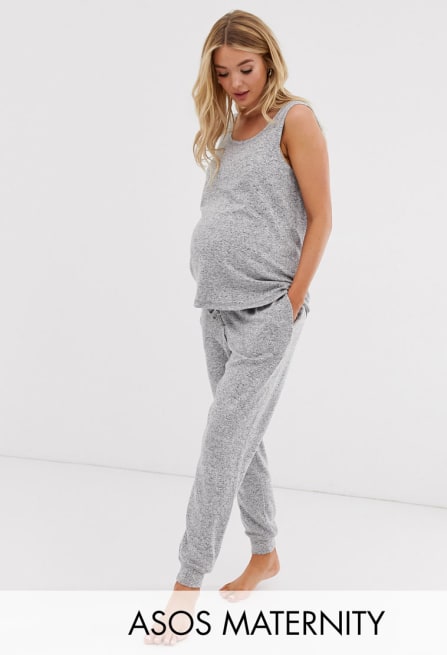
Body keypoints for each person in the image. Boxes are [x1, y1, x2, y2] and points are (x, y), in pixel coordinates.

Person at [144, 9, 331, 646]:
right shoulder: (228, 128)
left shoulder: (295, 119)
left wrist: (291, 303)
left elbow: (323, 218)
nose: (235, 83)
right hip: (216, 308)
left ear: (269, 60)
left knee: (220, 443)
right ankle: (265, 551)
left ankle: (184, 587)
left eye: (245, 69)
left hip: (267, 312)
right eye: (222, 74)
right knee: (241, 436)